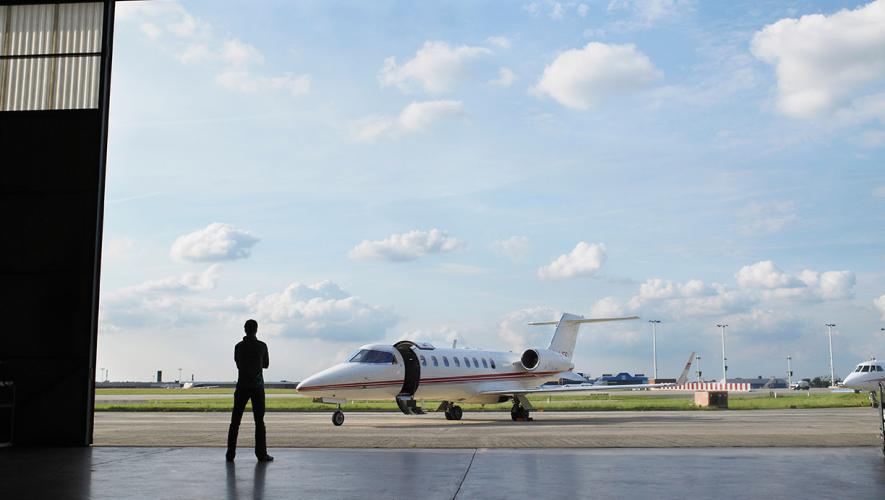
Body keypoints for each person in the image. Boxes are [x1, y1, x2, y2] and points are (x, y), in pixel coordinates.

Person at [226, 319, 273, 462]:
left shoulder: (238, 347)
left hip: (242, 386)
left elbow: (238, 364)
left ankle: (230, 454)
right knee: (259, 422)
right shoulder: (262, 346)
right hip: (257, 387)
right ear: (256, 329)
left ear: (245, 329)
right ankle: (261, 454)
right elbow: (266, 365)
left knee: (235, 422)